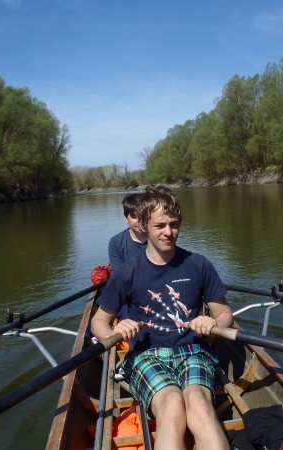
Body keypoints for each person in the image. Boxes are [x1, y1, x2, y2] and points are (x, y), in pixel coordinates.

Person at [91, 187, 233, 450]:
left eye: (174, 224)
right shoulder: (127, 273)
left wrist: (214, 325)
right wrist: (116, 331)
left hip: (194, 351)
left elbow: (225, 314)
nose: (168, 232)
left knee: (200, 405)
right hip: (146, 354)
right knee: (171, 405)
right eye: (160, 225)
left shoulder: (199, 265)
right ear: (144, 225)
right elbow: (98, 322)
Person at [108, 193, 148, 268]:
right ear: (126, 219)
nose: (140, 221)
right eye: (134, 216)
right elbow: (119, 276)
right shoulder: (116, 242)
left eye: (143, 215)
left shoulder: (159, 237)